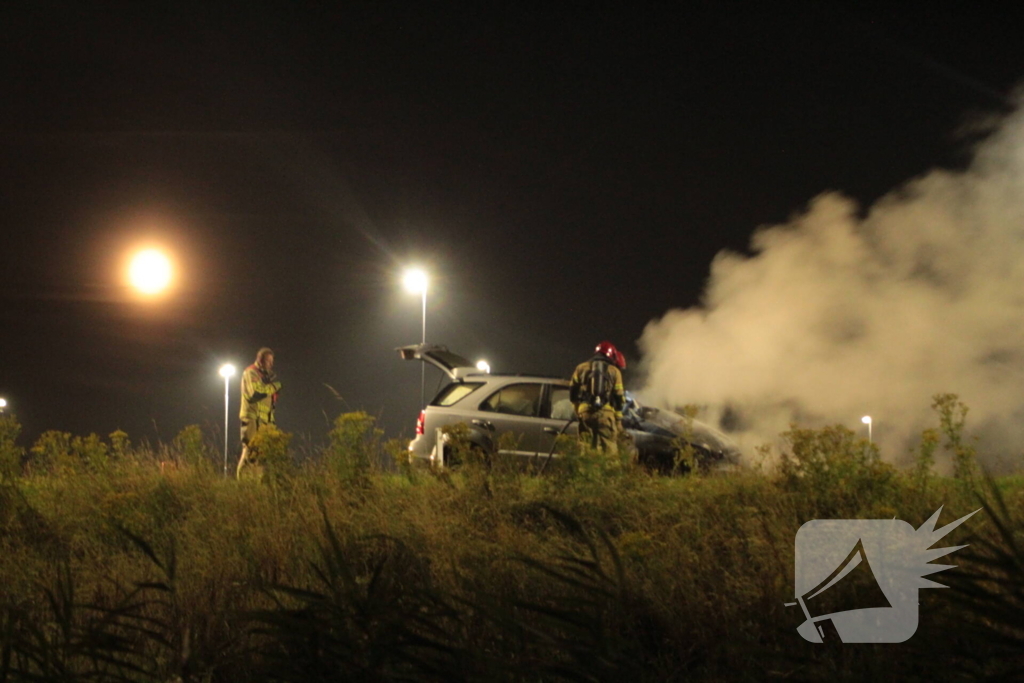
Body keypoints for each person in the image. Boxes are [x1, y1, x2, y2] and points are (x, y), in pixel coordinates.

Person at [569, 341, 626, 454]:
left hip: (585, 413)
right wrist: (618, 420)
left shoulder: (580, 368)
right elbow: (619, 399)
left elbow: (573, 394)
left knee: (585, 447)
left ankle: (585, 470)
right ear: (611, 355)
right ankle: (607, 470)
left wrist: (578, 411)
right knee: (609, 449)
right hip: (606, 414)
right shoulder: (614, 371)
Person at [236, 347, 282, 478]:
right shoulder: (251, 373)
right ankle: (243, 485)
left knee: (261, 454)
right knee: (250, 451)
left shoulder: (264, 376)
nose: (271, 364)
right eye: (268, 361)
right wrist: (275, 386)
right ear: (260, 360)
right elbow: (256, 392)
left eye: (272, 361)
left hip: (264, 422)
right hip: (252, 419)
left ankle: (256, 486)